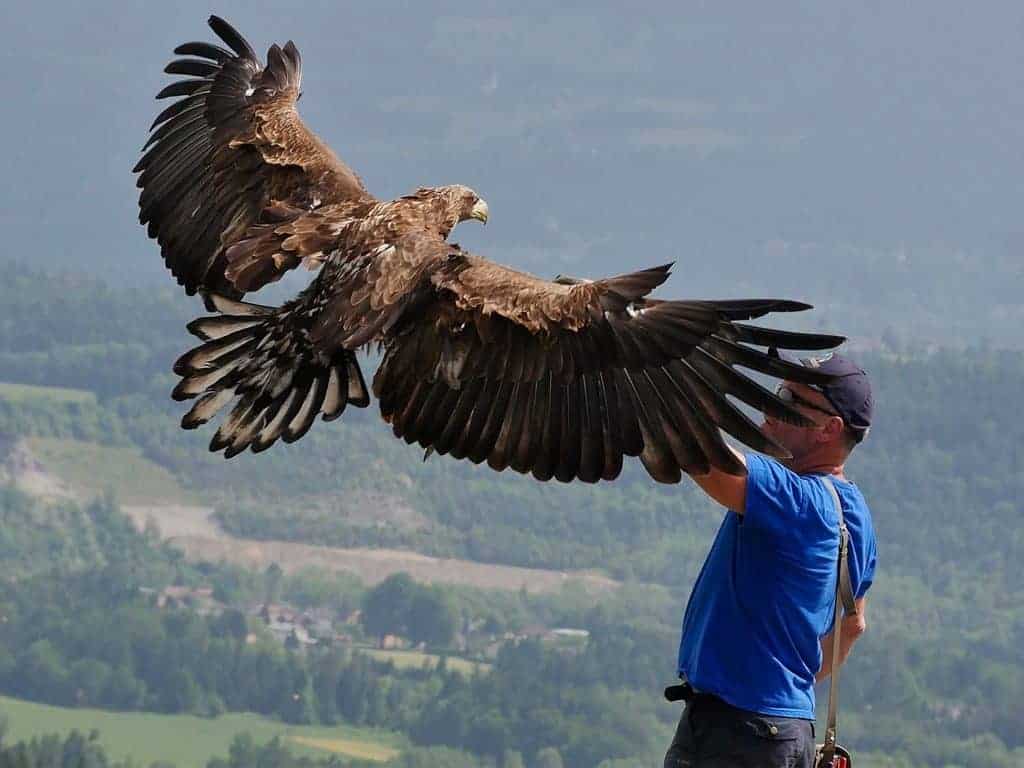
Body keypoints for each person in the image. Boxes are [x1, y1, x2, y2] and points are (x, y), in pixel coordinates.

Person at [664, 351, 878, 768]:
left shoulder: (796, 499)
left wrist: (645, 372)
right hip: (785, 729)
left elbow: (702, 457)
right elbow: (853, 624)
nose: (769, 408)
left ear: (828, 429)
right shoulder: (854, 514)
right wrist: (784, 687)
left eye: (788, 399)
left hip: (734, 731)